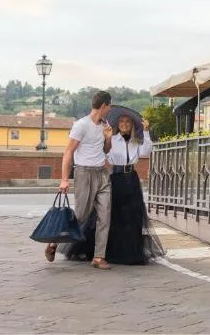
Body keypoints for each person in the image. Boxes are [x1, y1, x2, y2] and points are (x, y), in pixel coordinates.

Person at [63, 112, 165, 265]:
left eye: (127, 121)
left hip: (131, 179)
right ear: (118, 124)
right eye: (121, 121)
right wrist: (108, 138)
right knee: (111, 216)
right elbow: (105, 153)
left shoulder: (137, 141)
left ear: (132, 125)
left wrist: (146, 132)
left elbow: (146, 152)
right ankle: (105, 251)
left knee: (132, 217)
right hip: (115, 178)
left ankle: (128, 252)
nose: (124, 124)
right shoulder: (112, 139)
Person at [46, 90, 113, 269]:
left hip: (102, 173)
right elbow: (68, 152)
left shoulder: (105, 125)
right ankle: (54, 241)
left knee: (105, 215)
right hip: (84, 173)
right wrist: (64, 179)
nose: (110, 109)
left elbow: (106, 150)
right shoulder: (81, 125)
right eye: (109, 106)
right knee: (81, 216)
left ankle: (99, 257)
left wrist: (108, 138)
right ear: (104, 105)